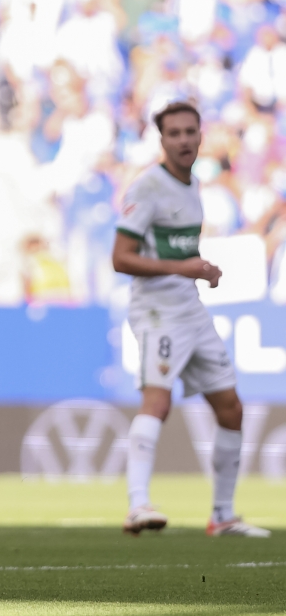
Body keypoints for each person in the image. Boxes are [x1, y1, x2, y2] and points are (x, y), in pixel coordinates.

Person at [112, 101, 269, 538]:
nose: (183, 139)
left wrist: (201, 267)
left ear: (201, 136)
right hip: (157, 312)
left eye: (189, 132)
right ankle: (137, 505)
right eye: (174, 133)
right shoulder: (147, 187)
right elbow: (121, 258)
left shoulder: (192, 184)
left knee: (231, 408)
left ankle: (223, 515)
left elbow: (176, 253)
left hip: (191, 309)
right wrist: (184, 268)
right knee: (157, 403)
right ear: (162, 140)